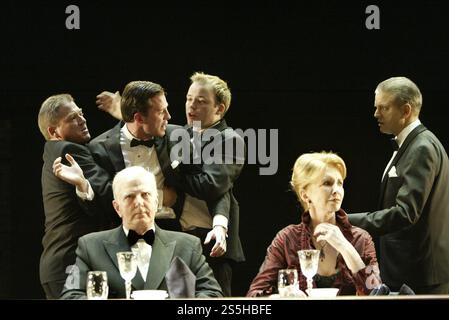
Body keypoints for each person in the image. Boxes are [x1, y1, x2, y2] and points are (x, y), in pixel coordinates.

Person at [95, 74, 245, 296]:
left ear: (219, 109)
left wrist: (219, 224)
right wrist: (127, 113)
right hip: (168, 236)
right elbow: (142, 125)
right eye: (188, 98)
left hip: (208, 239)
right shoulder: (177, 133)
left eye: (201, 101)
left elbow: (215, 187)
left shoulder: (228, 139)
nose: (191, 106)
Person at [349, 77, 449, 294]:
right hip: (412, 272)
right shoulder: (416, 144)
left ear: (406, 110)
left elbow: (405, 213)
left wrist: (346, 221)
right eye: (376, 107)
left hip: (420, 276)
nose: (376, 114)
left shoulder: (421, 147)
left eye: (383, 108)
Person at [60, 166, 223, 298]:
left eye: (145, 195)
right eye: (130, 197)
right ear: (117, 208)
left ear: (156, 202)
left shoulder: (188, 245)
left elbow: (212, 294)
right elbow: (70, 296)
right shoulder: (91, 246)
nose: (139, 203)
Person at [247, 152, 381, 297]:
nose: (336, 190)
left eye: (340, 183)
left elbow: (376, 293)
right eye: (327, 183)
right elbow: (254, 294)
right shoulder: (287, 239)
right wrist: (281, 297)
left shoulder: (361, 239)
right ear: (305, 195)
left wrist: (345, 246)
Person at [37, 94, 114, 299]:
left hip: (62, 263)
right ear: (54, 131)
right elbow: (108, 193)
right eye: (72, 118)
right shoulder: (67, 150)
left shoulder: (55, 150)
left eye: (81, 113)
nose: (82, 119)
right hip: (70, 264)